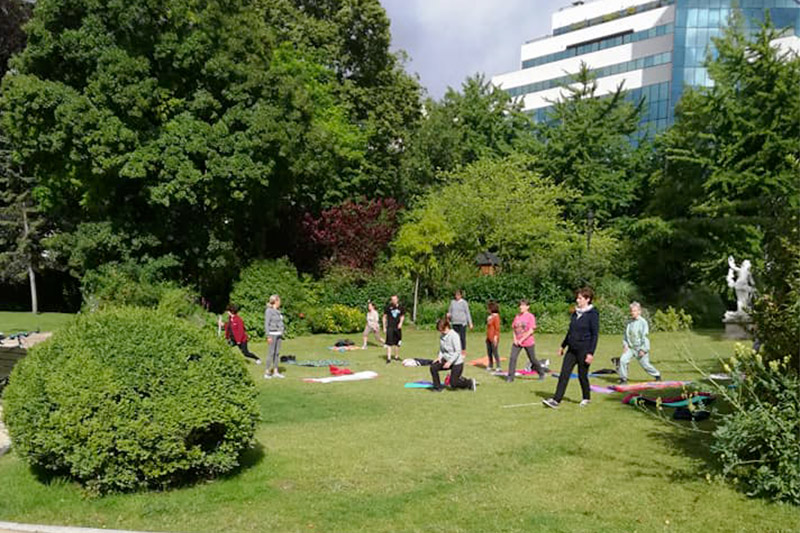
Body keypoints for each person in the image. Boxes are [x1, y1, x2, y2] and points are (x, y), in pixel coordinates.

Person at [543, 287, 599, 408]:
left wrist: (590, 353)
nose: (577, 300)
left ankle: (586, 397)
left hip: (584, 349)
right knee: (564, 374)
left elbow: (595, 335)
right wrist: (563, 346)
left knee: (582, 375)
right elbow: (570, 331)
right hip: (572, 349)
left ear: (587, 299)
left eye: (580, 298)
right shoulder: (575, 313)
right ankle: (556, 400)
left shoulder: (593, 314)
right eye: (577, 298)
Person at [618, 302, 661, 384]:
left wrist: (643, 349)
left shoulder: (643, 322)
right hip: (631, 348)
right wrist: (625, 345)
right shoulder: (629, 322)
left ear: (639, 311)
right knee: (622, 360)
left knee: (645, 365)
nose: (632, 313)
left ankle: (657, 375)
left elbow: (645, 337)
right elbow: (625, 335)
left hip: (640, 348)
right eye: (631, 311)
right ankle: (623, 379)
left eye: (634, 311)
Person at [430, 318, 476, 392]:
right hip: (446, 360)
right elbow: (441, 349)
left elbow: (458, 351)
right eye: (439, 330)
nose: (441, 332)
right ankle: (437, 387)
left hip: (457, 363)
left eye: (442, 330)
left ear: (446, 327)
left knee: (453, 384)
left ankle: (469, 382)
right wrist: (439, 358)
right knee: (433, 367)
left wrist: (450, 362)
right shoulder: (442, 336)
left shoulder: (454, 336)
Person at [506, 299, 547, 382]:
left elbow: (531, 330)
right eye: (520, 305)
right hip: (517, 342)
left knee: (532, 359)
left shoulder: (530, 316)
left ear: (527, 307)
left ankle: (541, 372)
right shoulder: (517, 316)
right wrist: (515, 339)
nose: (521, 307)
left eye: (523, 305)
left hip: (528, 342)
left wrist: (522, 339)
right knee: (513, 358)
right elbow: (514, 329)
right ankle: (510, 377)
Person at [264, 294, 285, 379]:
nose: (280, 302)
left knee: (277, 353)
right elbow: (266, 323)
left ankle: (276, 371)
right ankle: (267, 371)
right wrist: (268, 335)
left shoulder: (278, 311)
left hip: (279, 334)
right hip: (272, 334)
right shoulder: (269, 311)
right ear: (275, 301)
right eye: (279, 300)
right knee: (271, 353)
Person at [447, 290, 473, 354]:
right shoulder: (452, 302)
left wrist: (470, 323)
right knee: (454, 337)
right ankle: (455, 349)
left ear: (461, 295)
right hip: (454, 322)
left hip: (462, 323)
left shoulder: (464, 303)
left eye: (458, 295)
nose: (457, 296)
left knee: (462, 337)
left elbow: (467, 313)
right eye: (456, 295)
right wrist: (448, 316)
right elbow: (449, 311)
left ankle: (463, 350)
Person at [382, 294, 405, 364]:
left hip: (397, 328)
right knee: (389, 343)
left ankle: (396, 356)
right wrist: (384, 326)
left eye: (395, 299)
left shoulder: (401, 307)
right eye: (392, 299)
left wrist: (401, 323)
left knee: (397, 343)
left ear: (397, 299)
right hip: (390, 327)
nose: (393, 301)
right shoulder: (388, 307)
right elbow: (384, 317)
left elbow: (402, 316)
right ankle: (388, 358)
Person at [485, 301, 501, 372]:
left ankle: (498, 366)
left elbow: (497, 328)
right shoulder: (490, 316)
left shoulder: (496, 317)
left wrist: (495, 337)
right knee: (489, 352)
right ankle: (490, 364)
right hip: (488, 337)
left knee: (495, 352)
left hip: (494, 337)